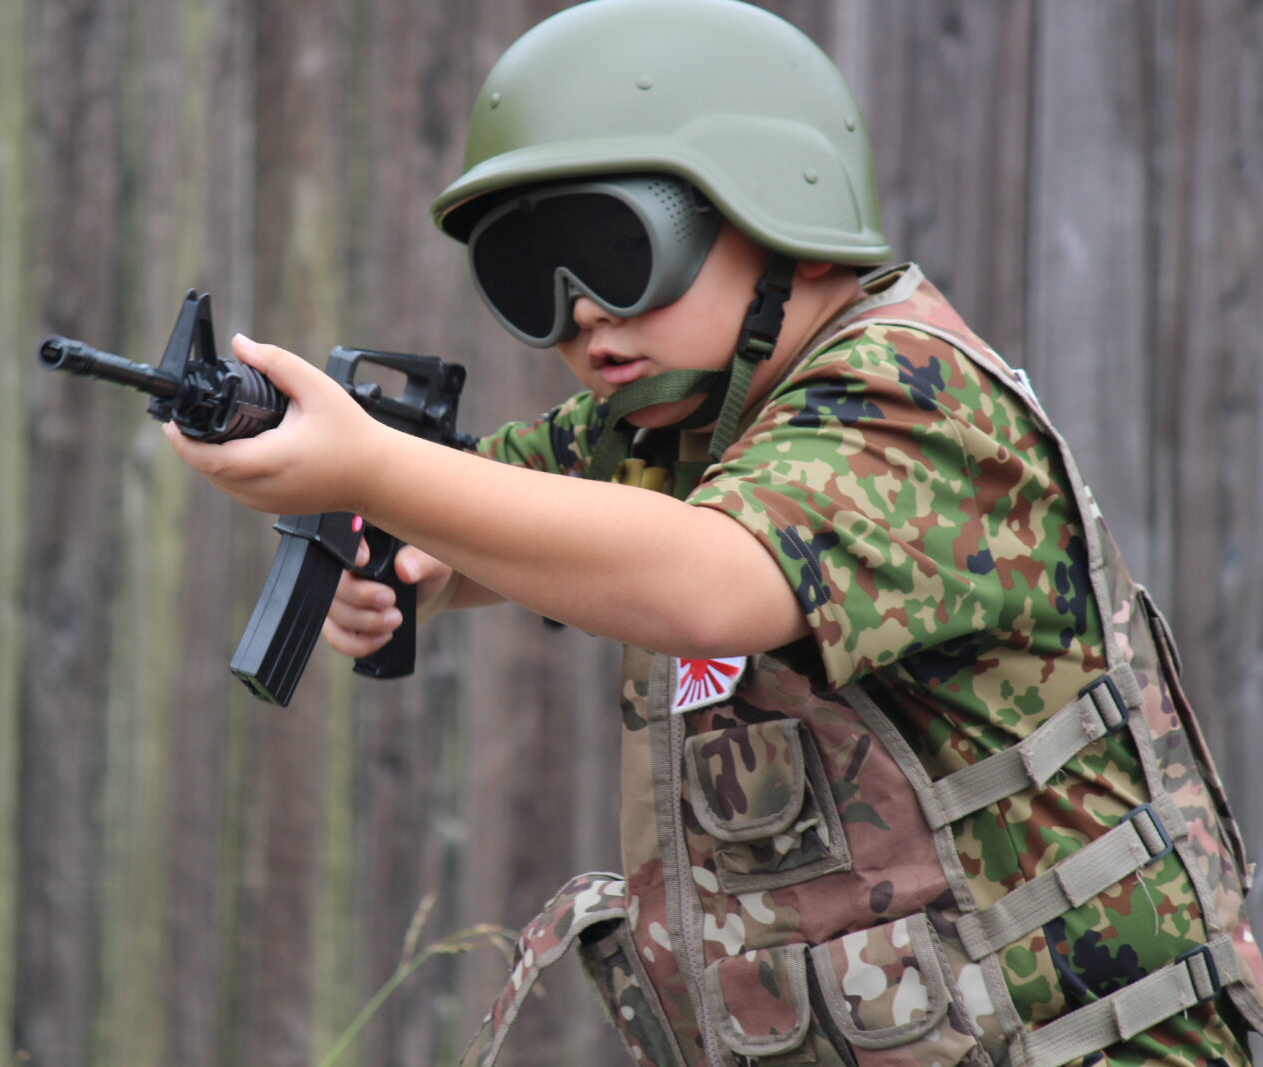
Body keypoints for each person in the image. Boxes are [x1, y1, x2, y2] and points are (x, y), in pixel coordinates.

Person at [165, 1, 1263, 1064]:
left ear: (785, 223)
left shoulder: (909, 397)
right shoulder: (684, 416)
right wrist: (421, 555)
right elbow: (503, 503)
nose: (583, 312)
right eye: (531, 272)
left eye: (618, 249)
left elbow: (706, 581)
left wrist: (374, 469)